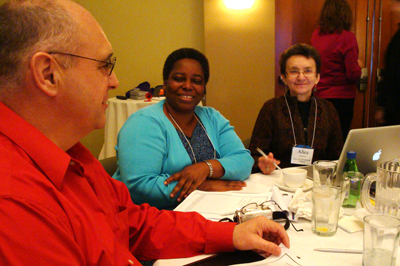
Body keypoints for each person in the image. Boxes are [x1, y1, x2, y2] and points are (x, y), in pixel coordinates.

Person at [0, 0, 289, 265]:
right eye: (105, 65)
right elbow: (140, 189)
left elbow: (135, 223)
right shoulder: (15, 205)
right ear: (48, 74)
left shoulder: (74, 154)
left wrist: (231, 234)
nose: (115, 81)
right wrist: (207, 183)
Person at [113, 48, 253, 210]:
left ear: (204, 88)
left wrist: (205, 168)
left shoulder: (212, 117)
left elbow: (244, 160)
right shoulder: (143, 123)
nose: (188, 86)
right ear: (165, 83)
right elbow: (138, 186)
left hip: (209, 210)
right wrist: (202, 187)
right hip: (148, 220)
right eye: (179, 79)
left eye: (197, 81)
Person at [249, 43, 343, 174]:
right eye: (294, 71)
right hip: (279, 180)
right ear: (284, 78)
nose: (301, 77)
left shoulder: (328, 109)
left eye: (308, 71)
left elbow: (337, 156)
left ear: (317, 77)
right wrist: (261, 162)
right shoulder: (271, 108)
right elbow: (253, 155)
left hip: (317, 182)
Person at [311, 0, 362, 141]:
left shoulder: (316, 35)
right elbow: (353, 74)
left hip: (320, 95)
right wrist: (359, 65)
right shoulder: (347, 37)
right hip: (342, 98)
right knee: (339, 139)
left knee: (321, 138)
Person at [376, 0, 400, 126]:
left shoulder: (398, 39)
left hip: (395, 106)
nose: (393, 8)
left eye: (396, 3)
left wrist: (382, 104)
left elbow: (392, 73)